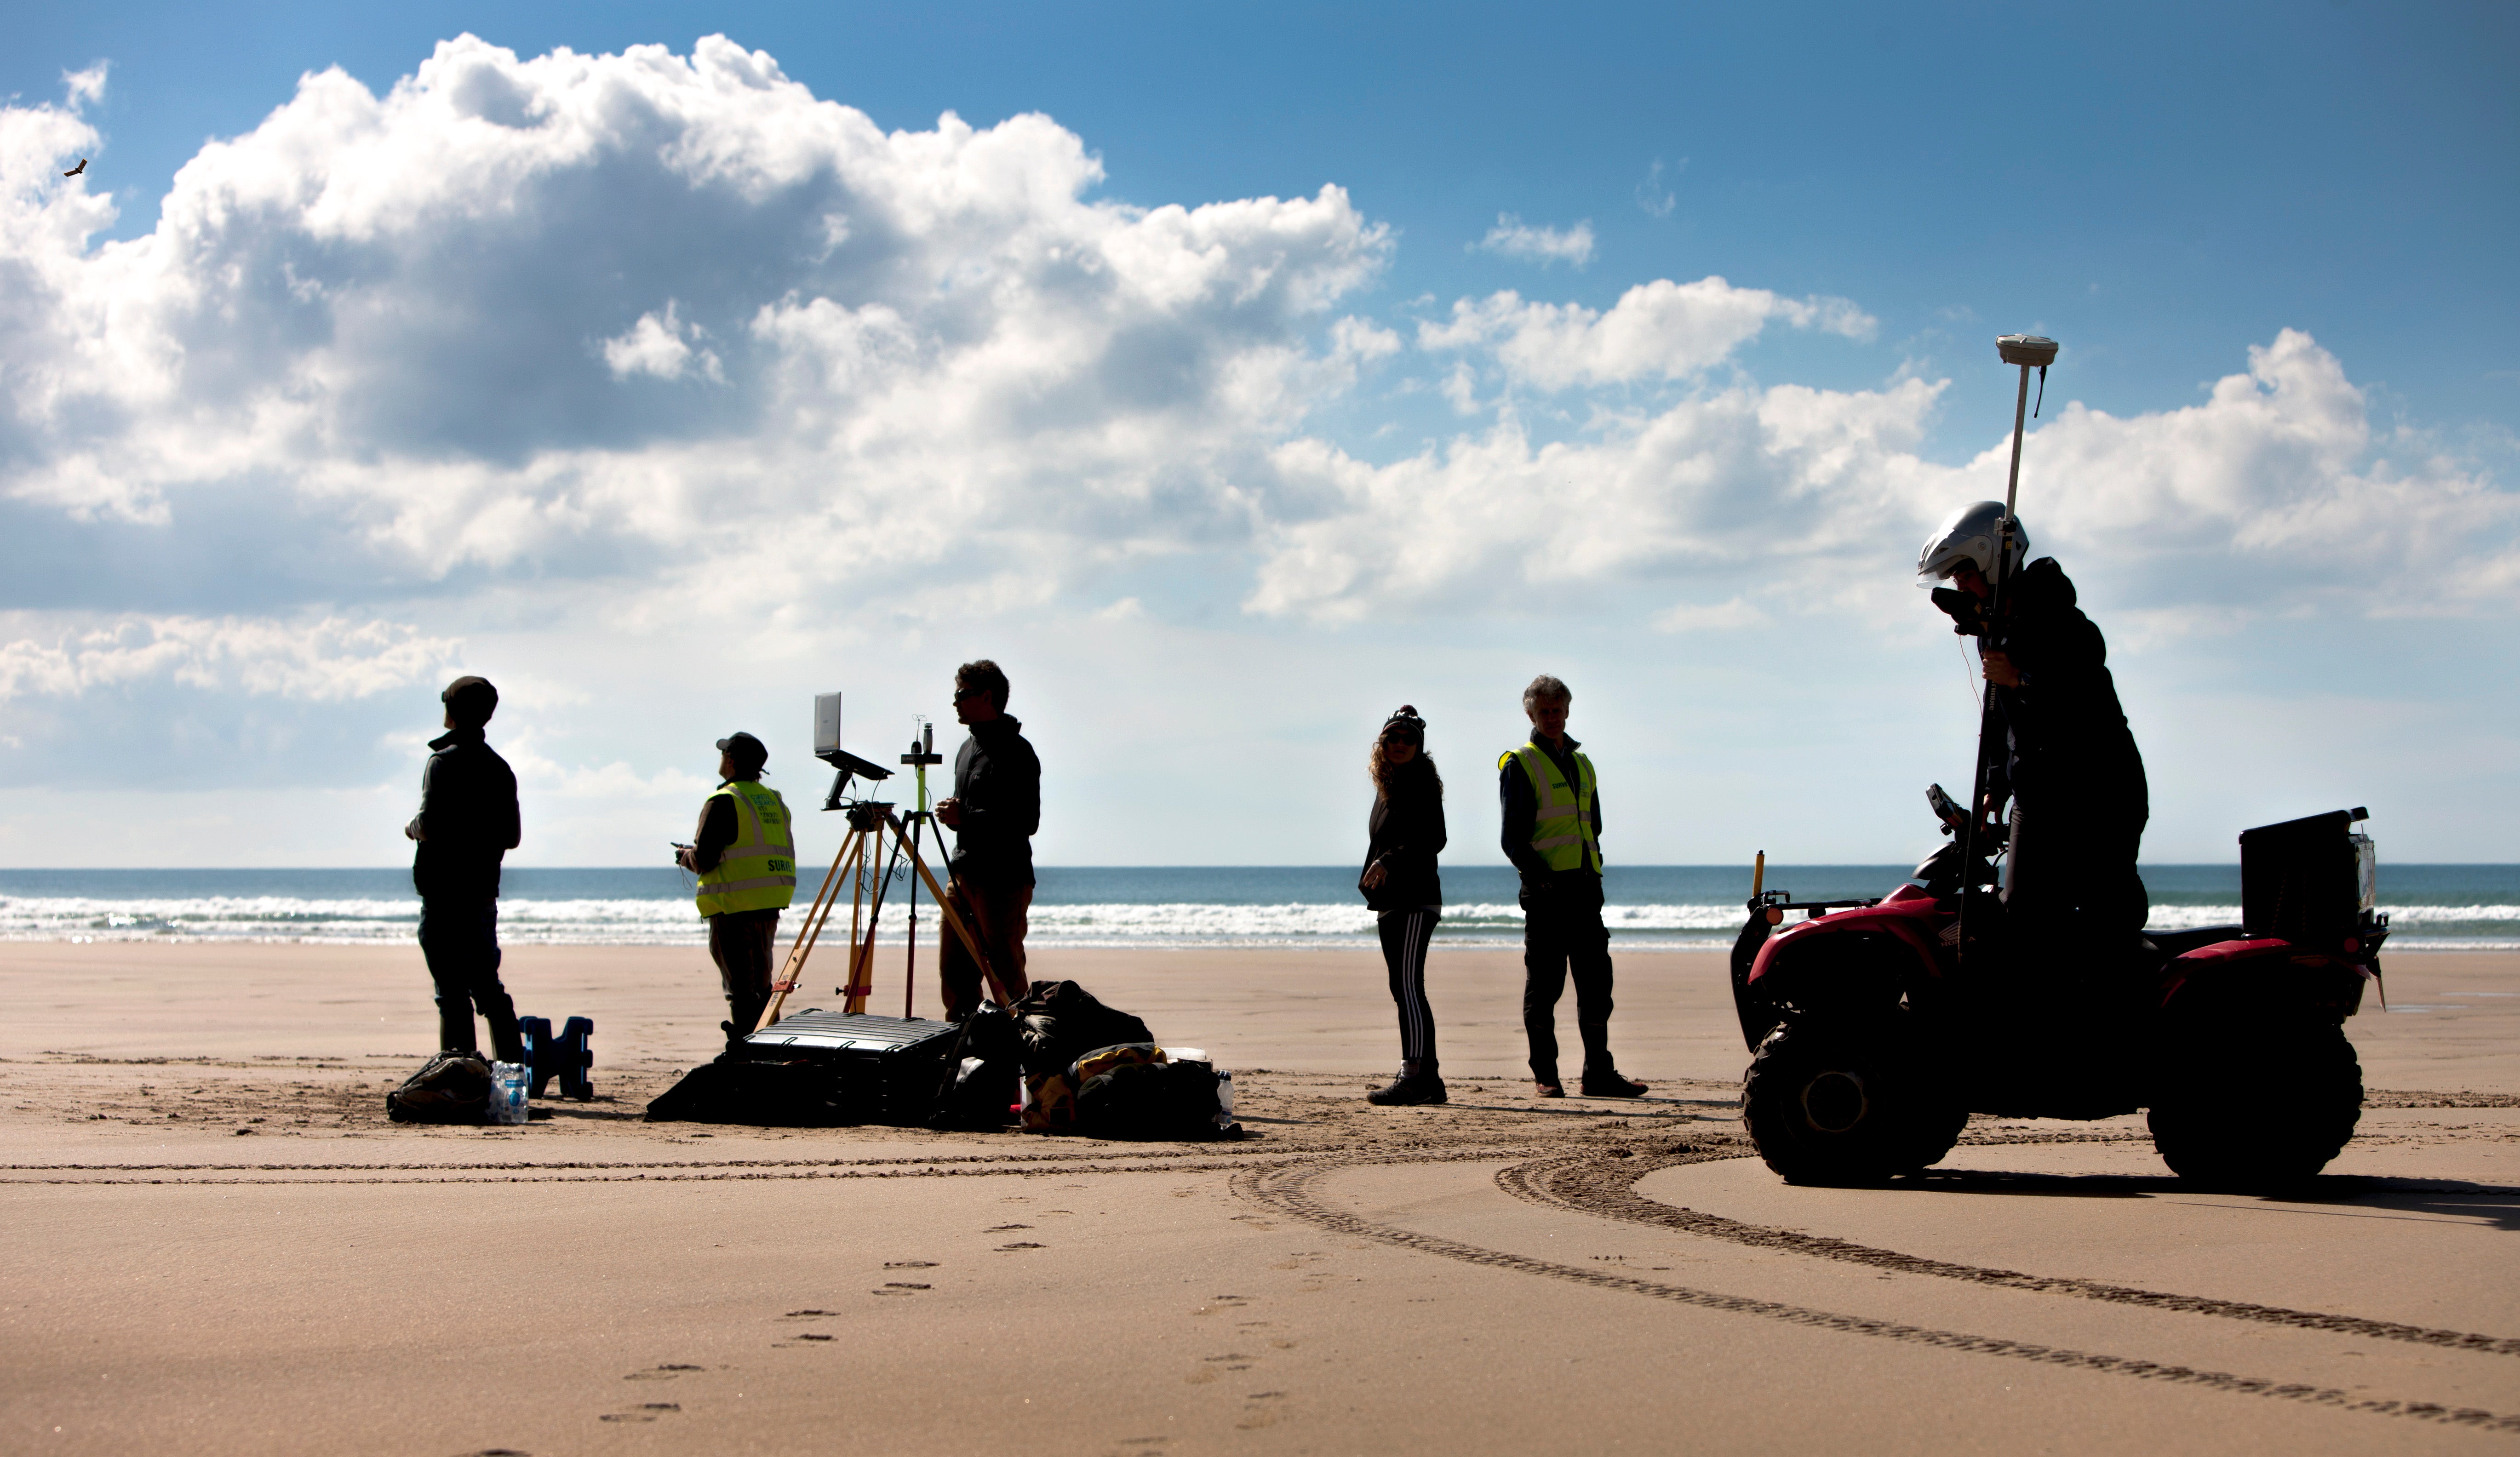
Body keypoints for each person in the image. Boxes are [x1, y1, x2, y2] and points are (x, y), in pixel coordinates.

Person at [1918, 501, 2150, 942]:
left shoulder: (2062, 621)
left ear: (1992, 560)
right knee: (2023, 912)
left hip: (2100, 789)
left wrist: (2022, 681)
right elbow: (2000, 718)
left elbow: (2082, 703)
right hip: (2037, 790)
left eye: (1964, 573)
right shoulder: (1991, 628)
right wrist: (1993, 786)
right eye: (1954, 578)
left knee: (2108, 912)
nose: (1960, 584)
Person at [1499, 676, 1647, 1099]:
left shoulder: (1584, 764)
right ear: (1531, 714)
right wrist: (1542, 879)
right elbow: (1513, 839)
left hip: (1585, 892)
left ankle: (1598, 1073)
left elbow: (1592, 827)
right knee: (1544, 989)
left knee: (1597, 987)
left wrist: (1592, 873)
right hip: (1547, 896)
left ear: (1567, 711)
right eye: (1543, 711)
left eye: (1557, 710)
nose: (1551, 717)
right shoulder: (1520, 763)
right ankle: (1546, 1075)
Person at [404, 675, 524, 1064]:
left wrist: (411, 829)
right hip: (481, 892)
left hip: (443, 894)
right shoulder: (500, 769)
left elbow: (429, 823)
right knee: (487, 988)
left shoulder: (442, 762)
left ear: (453, 713)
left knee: (452, 992)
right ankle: (513, 1076)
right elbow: (512, 836)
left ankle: (459, 1077)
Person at [676, 731, 796, 1050]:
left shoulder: (724, 800)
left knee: (742, 991)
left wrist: (685, 856)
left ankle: (749, 1054)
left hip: (733, 909)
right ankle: (772, 1047)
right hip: (768, 907)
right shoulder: (773, 800)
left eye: (723, 754)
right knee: (762, 986)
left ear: (730, 759)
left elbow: (704, 858)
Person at [934, 659, 1038, 1020]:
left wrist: (967, 818)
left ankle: (1022, 1055)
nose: (955, 702)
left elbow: (1027, 819)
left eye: (962, 694)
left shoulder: (1017, 751)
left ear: (988, 696)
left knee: (1006, 977)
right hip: (964, 872)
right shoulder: (967, 748)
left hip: (1002, 878)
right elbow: (975, 812)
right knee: (955, 975)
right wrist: (954, 814)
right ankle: (966, 1056)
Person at [1359, 705, 1447, 1106]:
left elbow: (1433, 837)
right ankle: (1429, 1077)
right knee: (1403, 987)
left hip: (1416, 899)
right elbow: (1381, 843)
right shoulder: (1386, 787)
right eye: (1392, 737)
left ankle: (1413, 1074)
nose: (1399, 744)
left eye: (1408, 738)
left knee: (1409, 986)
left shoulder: (1423, 783)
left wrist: (1389, 862)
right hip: (1392, 901)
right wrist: (1373, 875)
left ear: (1419, 745)